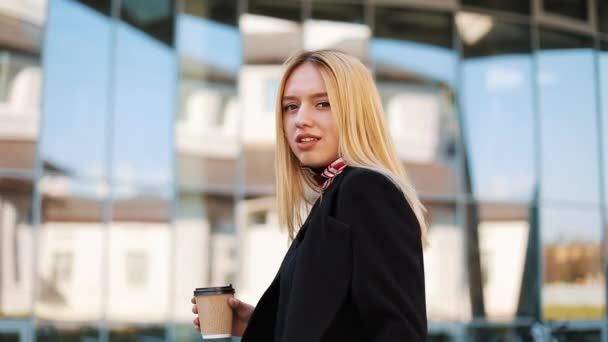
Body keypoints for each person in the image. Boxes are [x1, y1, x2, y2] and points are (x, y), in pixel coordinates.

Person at [191, 49, 428, 341]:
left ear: (357, 112)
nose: (301, 119)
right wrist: (256, 323)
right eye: (291, 107)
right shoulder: (333, 196)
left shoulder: (365, 190)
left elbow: (398, 332)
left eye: (323, 103)